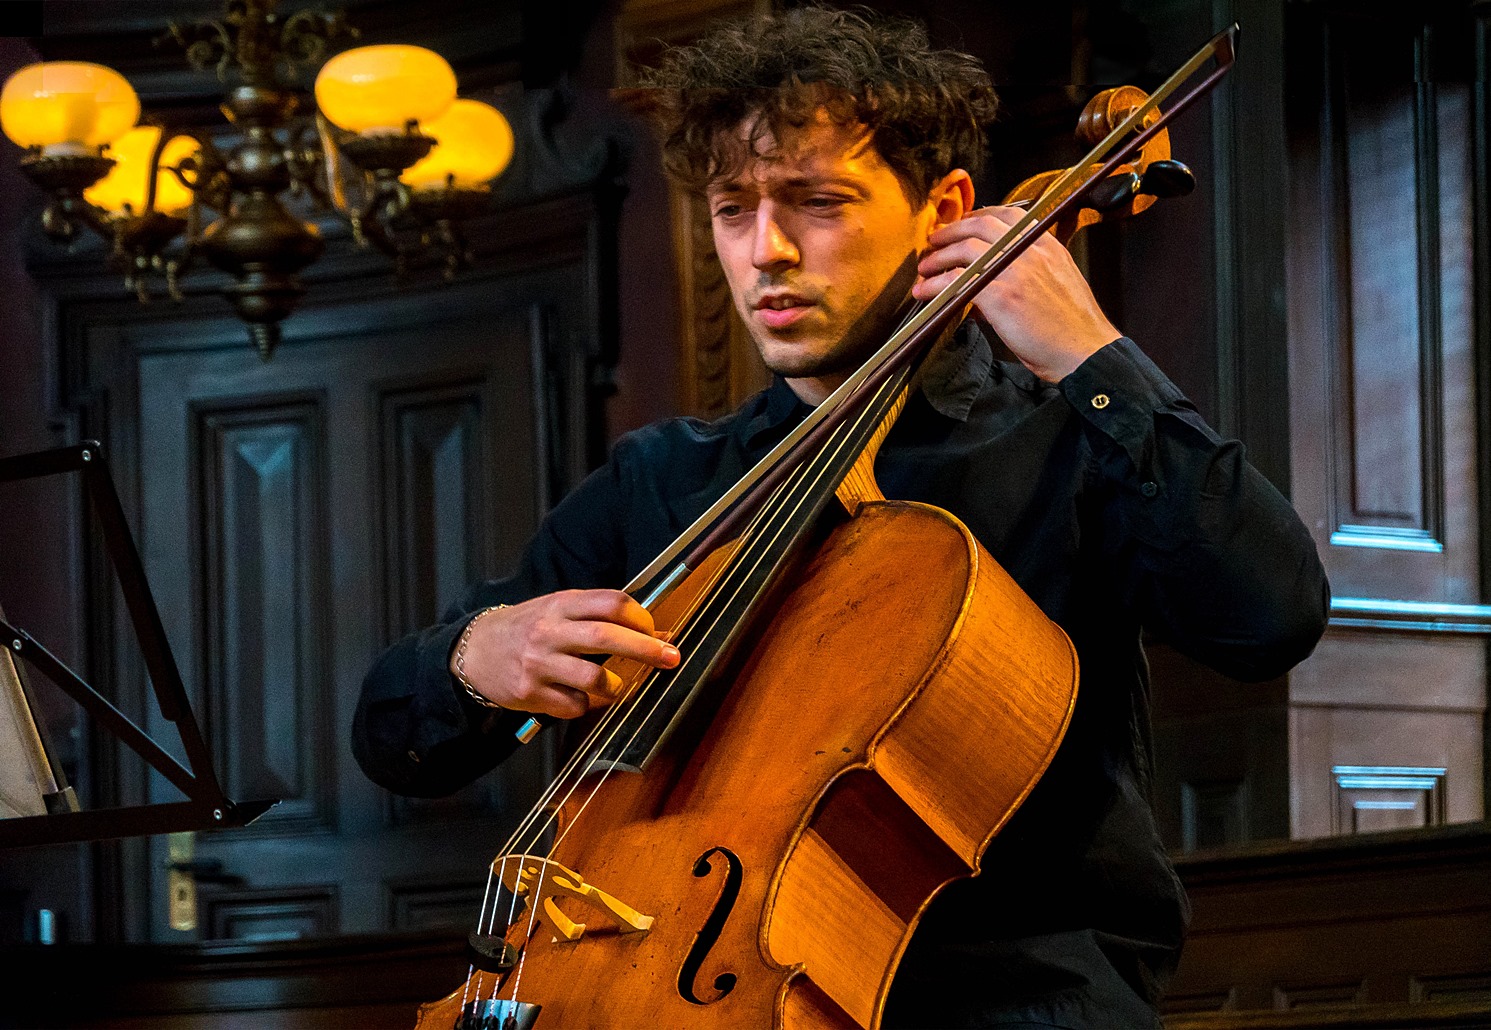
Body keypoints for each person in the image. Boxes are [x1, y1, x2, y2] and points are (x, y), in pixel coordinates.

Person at [354, 7, 1328, 1027]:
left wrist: (1091, 354)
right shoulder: (666, 479)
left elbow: (1271, 615)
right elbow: (390, 734)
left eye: (817, 202)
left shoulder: (1067, 443)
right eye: (734, 210)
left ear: (944, 208)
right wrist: (475, 656)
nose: (766, 252)